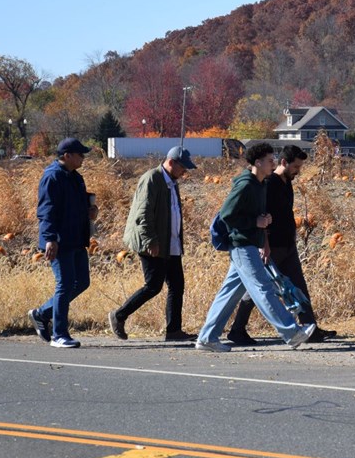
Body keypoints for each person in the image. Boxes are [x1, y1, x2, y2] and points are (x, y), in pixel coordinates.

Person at [195, 143, 315, 352]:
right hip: (242, 244)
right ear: (257, 162)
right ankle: (291, 332)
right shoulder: (246, 185)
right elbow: (227, 214)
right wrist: (255, 222)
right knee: (263, 289)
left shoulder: (260, 184)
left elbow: (254, 216)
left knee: (229, 293)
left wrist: (263, 227)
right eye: (270, 160)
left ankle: (207, 338)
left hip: (250, 243)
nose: (273, 164)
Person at [226, 145, 337, 345]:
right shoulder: (270, 183)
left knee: (298, 286)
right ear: (284, 163)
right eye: (295, 167)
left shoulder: (287, 182)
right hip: (271, 245)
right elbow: (262, 214)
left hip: (287, 245)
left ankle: (310, 329)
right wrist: (264, 244)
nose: (298, 171)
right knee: (258, 288)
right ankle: (237, 330)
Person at [109, 146, 198, 342]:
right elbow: (143, 212)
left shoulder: (172, 182)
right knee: (153, 286)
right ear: (171, 162)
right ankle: (118, 315)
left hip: (170, 242)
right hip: (154, 242)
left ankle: (174, 331)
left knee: (177, 285)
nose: (185, 172)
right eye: (183, 167)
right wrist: (150, 240)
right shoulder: (152, 179)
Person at [28, 138, 97, 348]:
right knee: (65, 284)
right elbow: (46, 211)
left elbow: (79, 204)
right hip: (59, 240)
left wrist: (91, 211)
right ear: (67, 155)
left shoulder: (76, 178)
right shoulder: (52, 177)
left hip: (76, 238)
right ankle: (59, 335)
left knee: (82, 282)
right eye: (80, 154)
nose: (83, 158)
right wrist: (50, 238)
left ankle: (41, 314)